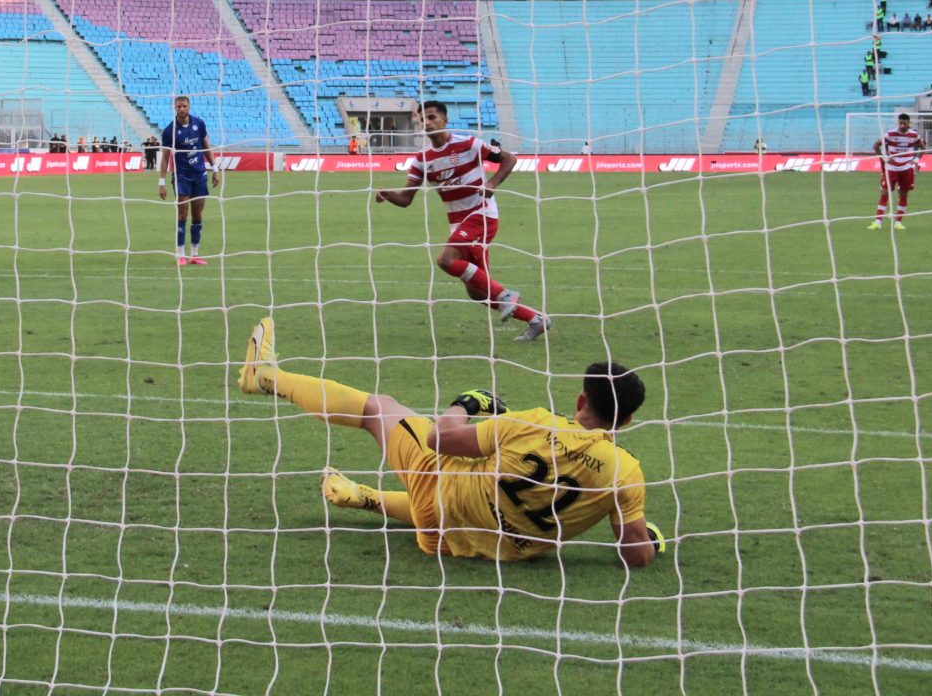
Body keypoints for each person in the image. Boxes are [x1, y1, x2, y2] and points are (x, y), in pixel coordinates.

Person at [236, 317, 663, 567]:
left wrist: (466, 403)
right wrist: (649, 537)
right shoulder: (626, 473)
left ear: (580, 399)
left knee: (378, 409)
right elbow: (636, 555)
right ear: (626, 420)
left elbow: (442, 438)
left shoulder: (535, 423)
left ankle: (265, 377)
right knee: (463, 499)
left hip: (438, 499)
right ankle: (365, 497)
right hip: (482, 547)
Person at [376, 99, 550, 341]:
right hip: (459, 224)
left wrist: (492, 183)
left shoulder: (468, 144)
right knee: (477, 292)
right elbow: (406, 199)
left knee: (446, 260)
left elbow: (509, 158)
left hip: (482, 213)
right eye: (423, 118)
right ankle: (536, 319)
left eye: (433, 117)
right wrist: (388, 194)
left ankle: (506, 295)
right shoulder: (421, 159)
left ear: (445, 120)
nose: (427, 122)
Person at [159, 94, 220, 266]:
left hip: (200, 175)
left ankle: (194, 254)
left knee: (198, 214)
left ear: (189, 107)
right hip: (182, 176)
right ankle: (180, 254)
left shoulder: (199, 124)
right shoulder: (169, 130)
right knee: (182, 213)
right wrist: (161, 182)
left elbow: (206, 146)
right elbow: (164, 157)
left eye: (184, 106)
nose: (181, 109)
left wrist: (215, 168)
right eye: (178, 106)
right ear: (174, 108)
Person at [870, 112, 924, 231]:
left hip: (906, 167)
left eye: (904, 123)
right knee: (884, 193)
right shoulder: (890, 134)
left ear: (908, 123)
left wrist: (916, 159)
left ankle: (898, 222)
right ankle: (878, 221)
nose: (902, 125)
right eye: (900, 123)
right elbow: (875, 146)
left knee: (903, 194)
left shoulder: (914, 135)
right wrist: (883, 156)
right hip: (891, 168)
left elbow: (923, 147)